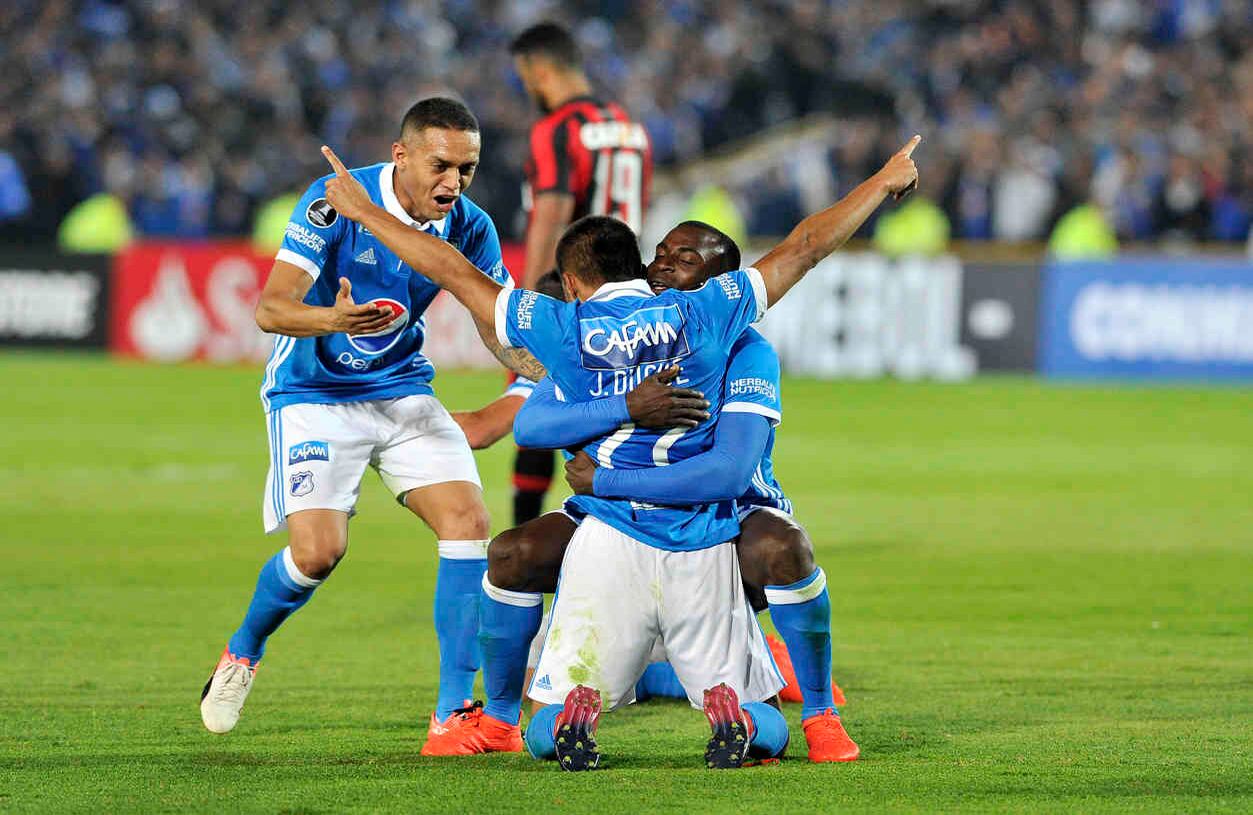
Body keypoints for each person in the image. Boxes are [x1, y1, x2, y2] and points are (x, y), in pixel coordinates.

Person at [317, 134, 921, 768]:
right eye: (660, 254)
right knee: (765, 727)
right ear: (639, 266)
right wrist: (881, 182)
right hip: (702, 536)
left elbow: (454, 272)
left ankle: (554, 712)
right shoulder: (712, 314)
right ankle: (739, 708)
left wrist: (365, 212)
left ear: (573, 282)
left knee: (547, 728)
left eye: (682, 257)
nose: (665, 265)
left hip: (610, 530)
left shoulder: (566, 327)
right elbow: (805, 246)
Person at [198, 98, 541, 746]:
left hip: (402, 388)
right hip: (314, 393)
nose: (454, 183)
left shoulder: (470, 225)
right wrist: (333, 319)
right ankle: (244, 649)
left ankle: (450, 715)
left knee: (468, 523)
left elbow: (494, 324)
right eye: (441, 166)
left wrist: (544, 377)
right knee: (317, 554)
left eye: (466, 169)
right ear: (401, 156)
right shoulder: (334, 202)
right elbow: (271, 310)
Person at [507, 22, 654, 526]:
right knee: (615, 416)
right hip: (631, 292)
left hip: (574, 290)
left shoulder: (557, 128)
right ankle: (622, 522)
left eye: (524, 77)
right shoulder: (630, 127)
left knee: (539, 412)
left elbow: (551, 212)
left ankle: (526, 539)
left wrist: (528, 300)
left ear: (538, 70)